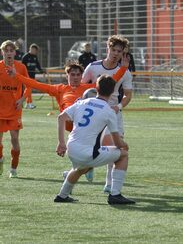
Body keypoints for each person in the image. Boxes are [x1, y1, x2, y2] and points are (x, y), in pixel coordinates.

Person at [54, 74, 135, 205]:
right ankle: (115, 194)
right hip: (87, 153)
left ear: (96, 89)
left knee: (82, 168)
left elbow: (61, 117)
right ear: (113, 91)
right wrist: (125, 145)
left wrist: (61, 143)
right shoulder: (109, 111)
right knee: (123, 155)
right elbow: (118, 143)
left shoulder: (81, 103)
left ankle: (62, 195)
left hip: (71, 148)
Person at [81, 35, 133, 193]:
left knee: (114, 147)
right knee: (90, 146)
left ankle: (109, 183)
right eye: (113, 49)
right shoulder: (93, 67)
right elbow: (83, 89)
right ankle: (86, 167)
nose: (116, 53)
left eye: (119, 51)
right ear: (107, 49)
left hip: (113, 113)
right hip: (95, 113)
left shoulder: (124, 72)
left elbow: (128, 95)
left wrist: (118, 107)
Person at [0, 40, 30, 178]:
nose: (9, 53)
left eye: (11, 50)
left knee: (15, 139)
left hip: (14, 109)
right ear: (2, 52)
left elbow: (28, 85)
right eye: (6, 50)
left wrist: (22, 99)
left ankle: (13, 169)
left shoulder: (21, 67)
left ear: (15, 52)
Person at [22, 43, 44, 109]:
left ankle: (28, 104)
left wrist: (41, 71)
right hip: (26, 77)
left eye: (36, 50)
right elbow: (22, 67)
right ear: (30, 49)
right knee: (28, 89)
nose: (35, 51)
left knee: (29, 90)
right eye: (34, 50)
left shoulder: (35, 57)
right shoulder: (25, 57)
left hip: (32, 76)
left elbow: (37, 65)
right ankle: (28, 103)